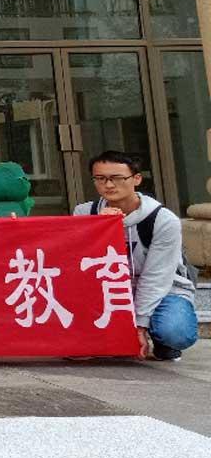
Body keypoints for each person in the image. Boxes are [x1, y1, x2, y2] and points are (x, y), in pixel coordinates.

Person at [75, 151, 199, 361]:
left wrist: (139, 325)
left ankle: (163, 341)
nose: (108, 185)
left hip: (164, 290)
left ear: (137, 179)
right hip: (107, 290)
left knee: (175, 332)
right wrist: (97, 226)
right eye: (100, 178)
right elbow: (77, 260)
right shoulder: (84, 213)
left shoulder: (162, 219)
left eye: (117, 178)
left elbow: (156, 277)